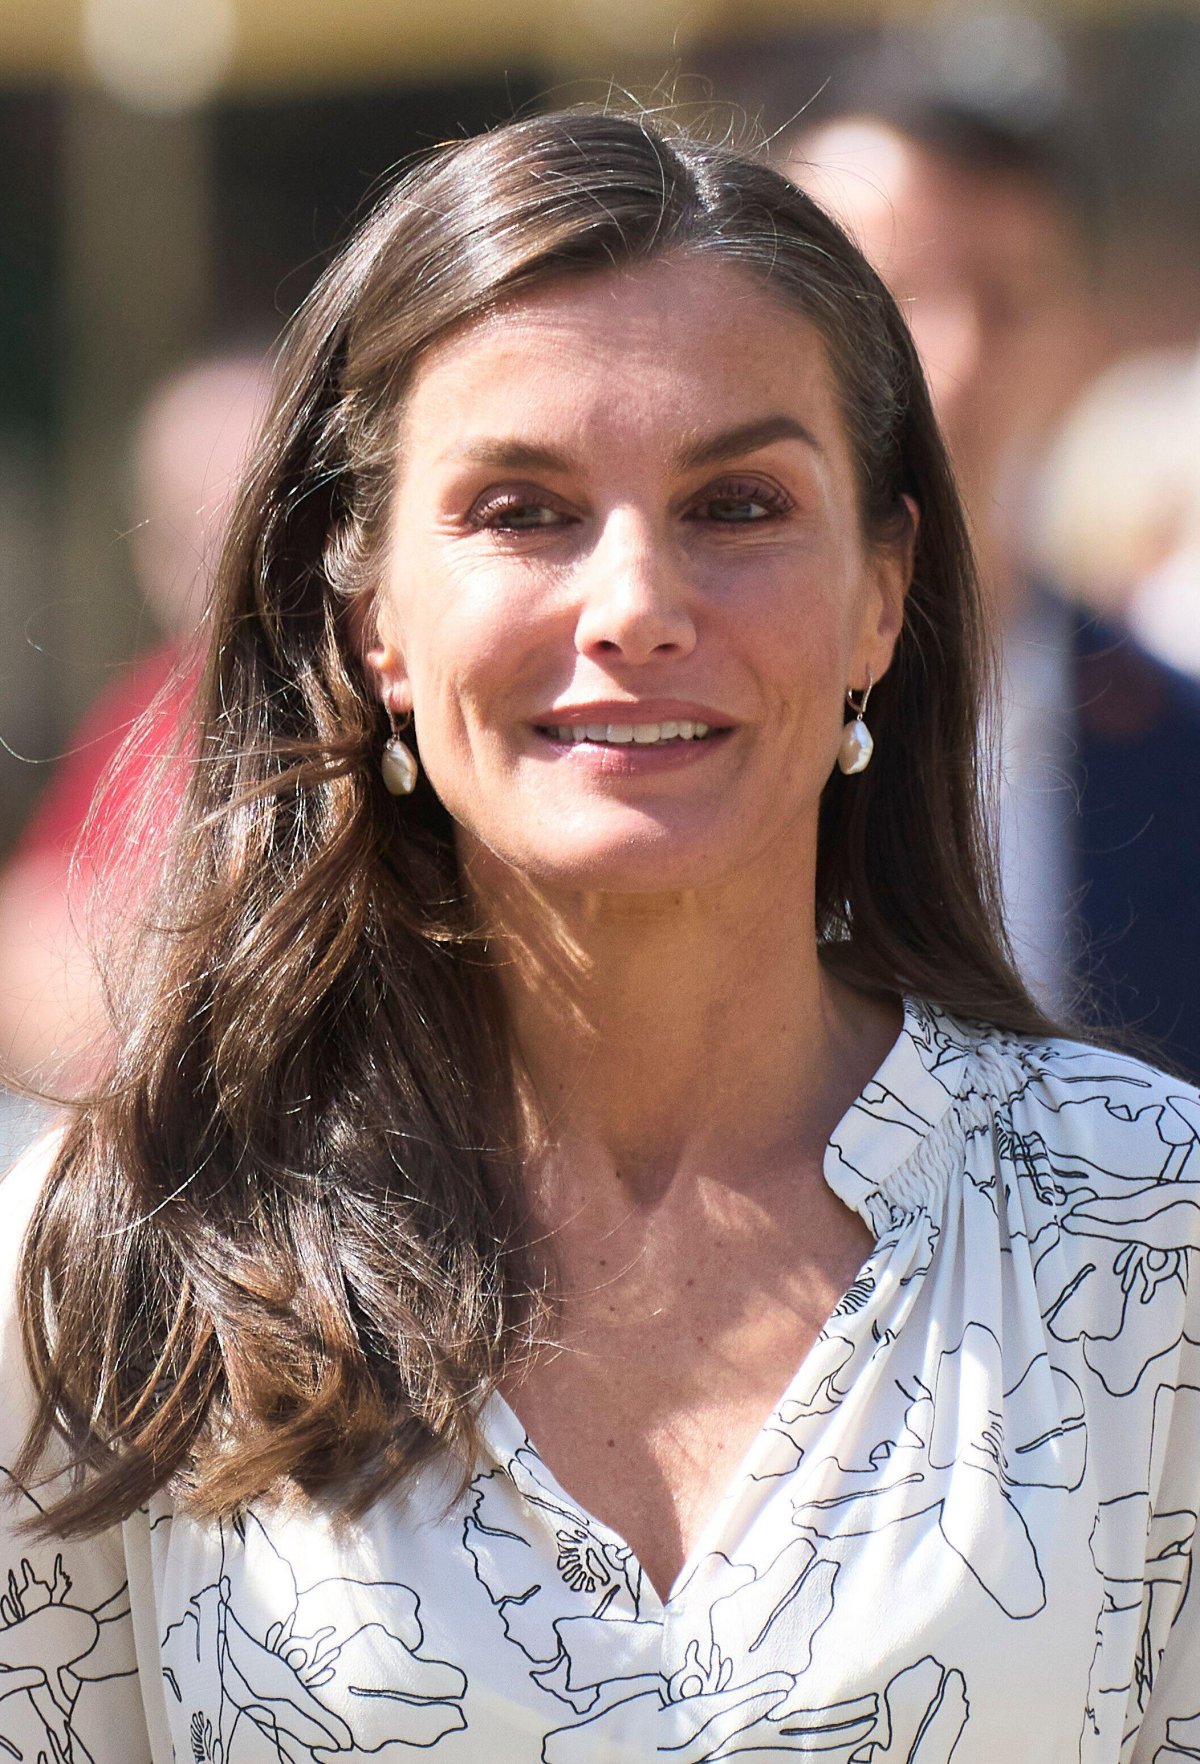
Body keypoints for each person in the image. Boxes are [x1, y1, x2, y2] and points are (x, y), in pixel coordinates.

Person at [1, 110, 1197, 1763]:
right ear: (370, 614)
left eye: (738, 501)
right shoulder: (115, 1262)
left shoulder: (1149, 1231)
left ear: (880, 589)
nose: (635, 599)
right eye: (522, 507)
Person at [780, 93, 1200, 1072]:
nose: (957, 360)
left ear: (1090, 333)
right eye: (898, 295)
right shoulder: (658, 714)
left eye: (1010, 299)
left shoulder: (1178, 750)